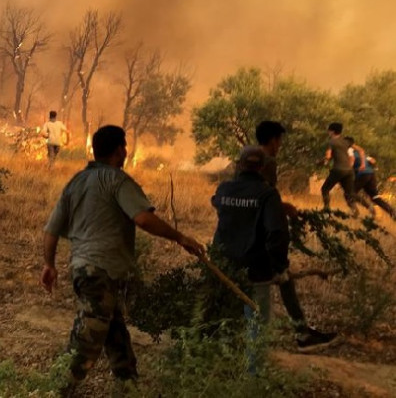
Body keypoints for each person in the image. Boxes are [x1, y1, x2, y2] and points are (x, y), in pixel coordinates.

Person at [41, 125, 205, 390]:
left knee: (115, 333)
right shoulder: (117, 180)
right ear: (120, 150)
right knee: (88, 341)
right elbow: (142, 217)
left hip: (84, 270)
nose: (126, 152)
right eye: (124, 147)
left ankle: (128, 386)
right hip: (100, 273)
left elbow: (51, 230)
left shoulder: (76, 183)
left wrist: (49, 264)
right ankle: (56, 390)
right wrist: (180, 237)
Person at [213, 146, 337, 357]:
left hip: (224, 267)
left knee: (226, 320)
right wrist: (279, 267)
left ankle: (225, 366)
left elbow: (216, 202)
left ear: (239, 165)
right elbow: (277, 233)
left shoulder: (224, 189)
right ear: (262, 168)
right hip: (256, 270)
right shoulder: (267, 194)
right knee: (257, 324)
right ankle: (254, 377)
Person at [249, 122, 339, 350]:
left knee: (283, 280)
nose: (280, 145)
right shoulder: (267, 161)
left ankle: (301, 332)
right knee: (277, 279)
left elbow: (257, 196)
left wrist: (281, 205)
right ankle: (295, 336)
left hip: (250, 233)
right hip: (265, 236)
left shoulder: (248, 158)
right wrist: (283, 209)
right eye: (279, 140)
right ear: (272, 140)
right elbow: (265, 197)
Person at [345, 137, 395, 219]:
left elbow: (352, 160)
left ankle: (356, 212)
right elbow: (373, 160)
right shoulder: (359, 152)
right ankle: (393, 212)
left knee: (348, 193)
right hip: (371, 174)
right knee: (375, 197)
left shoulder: (349, 150)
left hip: (362, 175)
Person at [321, 122, 358, 216]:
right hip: (349, 170)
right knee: (349, 193)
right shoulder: (346, 141)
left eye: (329, 130)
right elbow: (358, 150)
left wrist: (322, 161)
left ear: (332, 131)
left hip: (338, 169)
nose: (328, 132)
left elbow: (328, 156)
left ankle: (326, 209)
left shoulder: (332, 142)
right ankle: (355, 210)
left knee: (325, 189)